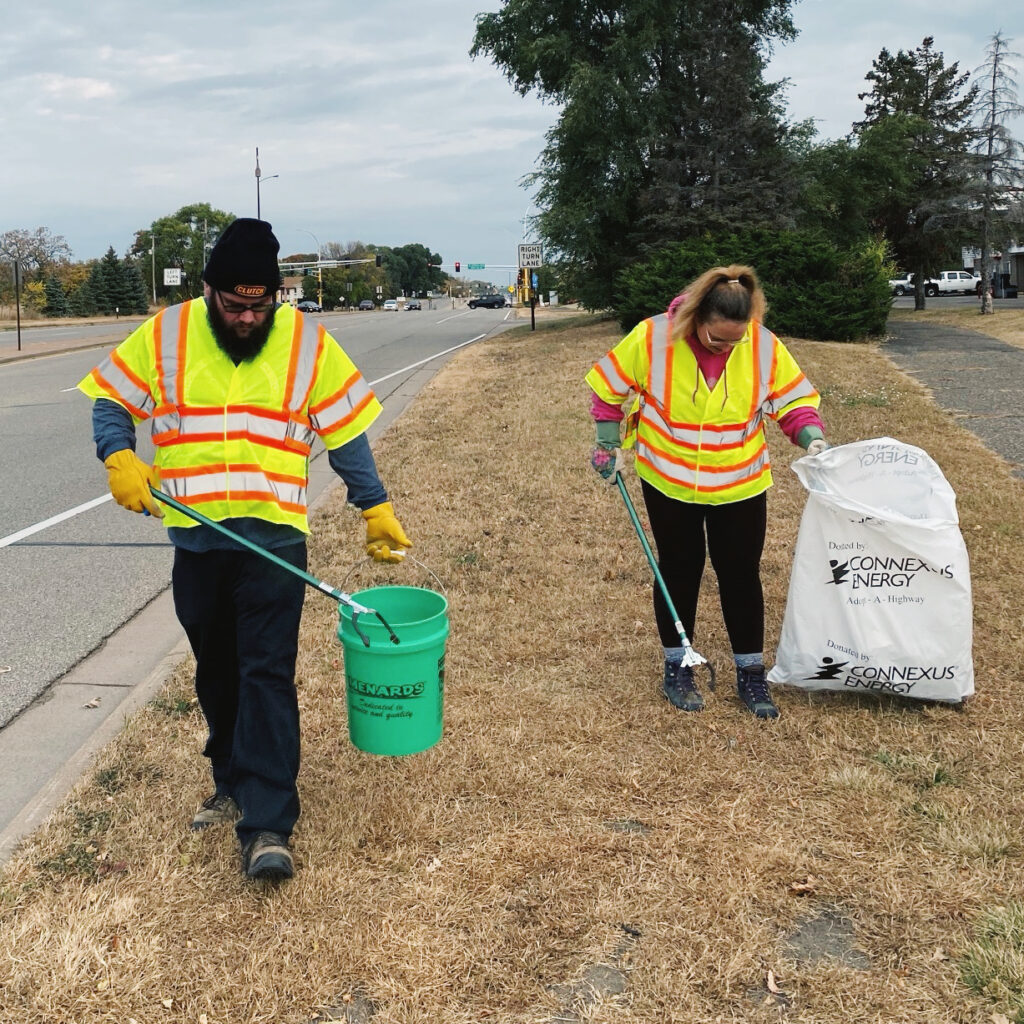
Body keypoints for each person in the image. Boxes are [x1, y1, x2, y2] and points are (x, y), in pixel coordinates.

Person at [78, 218, 411, 882]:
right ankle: (229, 774)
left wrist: (373, 504)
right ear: (209, 291)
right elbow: (110, 398)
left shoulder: (306, 343)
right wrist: (119, 454)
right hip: (197, 539)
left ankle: (267, 825)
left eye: (261, 305)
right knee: (217, 667)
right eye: (234, 304)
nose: (248, 316)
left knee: (266, 673)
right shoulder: (167, 333)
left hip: (275, 540)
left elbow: (344, 431)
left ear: (277, 295)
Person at [586, 265, 827, 720]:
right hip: (669, 478)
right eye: (718, 339)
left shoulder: (761, 343)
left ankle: (751, 674)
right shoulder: (653, 337)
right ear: (696, 317)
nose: (727, 347)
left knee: (741, 573)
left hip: (740, 481)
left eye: (735, 340)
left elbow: (792, 402)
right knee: (679, 569)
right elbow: (609, 389)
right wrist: (606, 443)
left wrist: (811, 436)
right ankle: (678, 666)